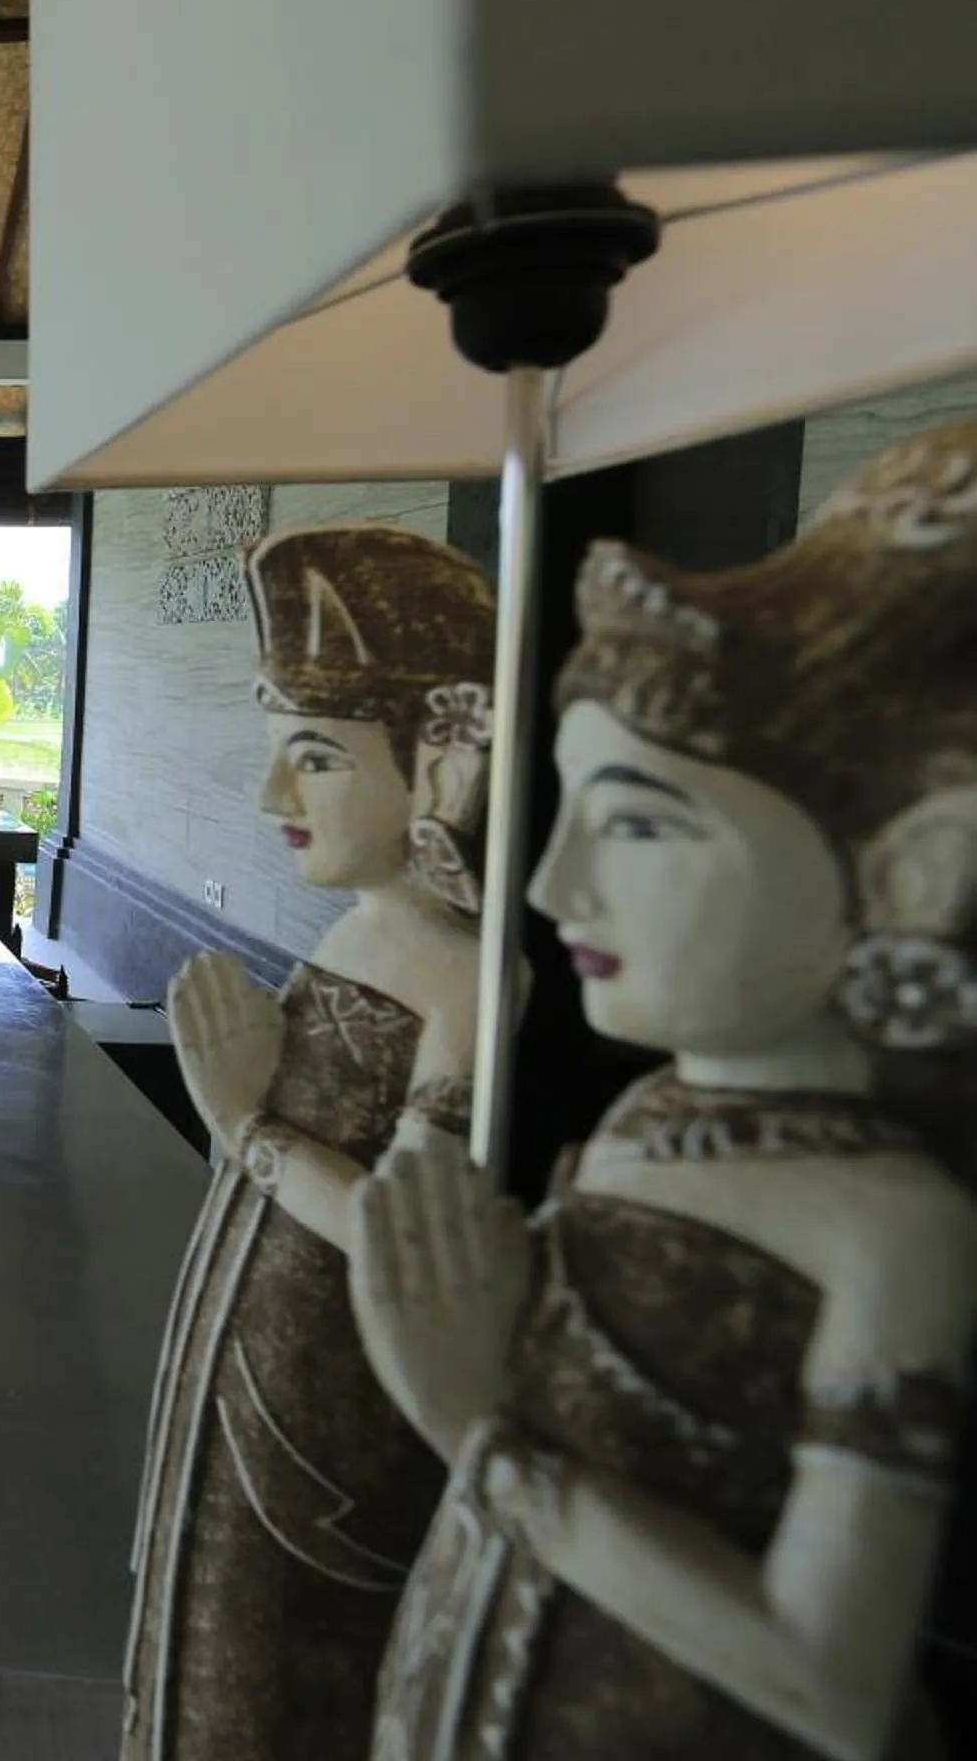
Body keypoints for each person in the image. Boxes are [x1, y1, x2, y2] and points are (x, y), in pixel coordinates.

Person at [353, 417, 977, 1760]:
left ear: (910, 870)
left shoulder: (890, 1227)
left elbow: (834, 1683)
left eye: (637, 822)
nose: (550, 883)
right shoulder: (646, 1120)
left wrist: (483, 1433)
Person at [124, 524, 498, 1761]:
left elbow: (415, 1234)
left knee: (274, 1667)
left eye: (318, 757)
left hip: (335, 1401)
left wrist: (245, 1124)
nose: (274, 796)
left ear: (441, 767)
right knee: (190, 1607)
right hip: (246, 1347)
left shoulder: (470, 983)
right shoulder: (359, 935)